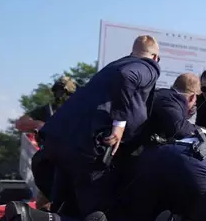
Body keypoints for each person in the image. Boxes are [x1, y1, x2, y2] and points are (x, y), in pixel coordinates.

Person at [36, 35, 161, 219]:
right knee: (99, 212)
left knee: (65, 208)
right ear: (156, 57)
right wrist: (119, 124)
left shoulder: (113, 66)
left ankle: (26, 216)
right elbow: (128, 76)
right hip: (85, 149)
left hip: (58, 141)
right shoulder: (147, 67)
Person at [14, 76, 77, 211]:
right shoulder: (47, 110)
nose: (61, 95)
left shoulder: (81, 109)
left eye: (65, 92)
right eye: (58, 91)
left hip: (73, 161)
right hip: (50, 160)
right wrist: (39, 124)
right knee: (45, 204)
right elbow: (20, 123)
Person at [147, 72, 202, 140]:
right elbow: (179, 130)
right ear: (193, 97)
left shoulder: (165, 95)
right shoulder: (170, 102)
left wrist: (185, 114)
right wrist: (202, 131)